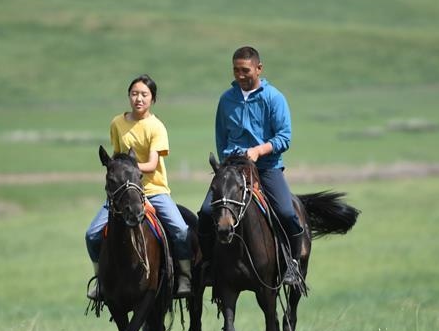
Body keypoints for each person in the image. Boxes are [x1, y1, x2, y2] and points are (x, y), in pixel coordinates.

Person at [198, 46, 304, 287]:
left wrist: (258, 150)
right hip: (233, 169)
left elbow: (284, 137)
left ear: (259, 68)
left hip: (266, 167)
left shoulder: (274, 98)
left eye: (245, 70)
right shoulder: (226, 100)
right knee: (205, 213)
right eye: (235, 70)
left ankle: (293, 265)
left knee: (287, 213)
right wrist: (231, 160)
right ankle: (209, 266)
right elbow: (221, 138)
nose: (240, 75)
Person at [85, 74, 193, 300]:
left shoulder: (156, 127)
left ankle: (184, 275)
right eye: (134, 94)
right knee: (92, 234)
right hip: (123, 195)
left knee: (181, 231)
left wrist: (127, 171)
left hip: (154, 191)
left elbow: (152, 164)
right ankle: (100, 280)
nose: (139, 99)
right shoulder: (117, 123)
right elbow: (117, 156)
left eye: (144, 94)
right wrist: (118, 174)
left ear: (152, 98)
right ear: (128, 96)